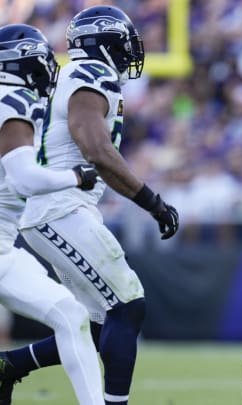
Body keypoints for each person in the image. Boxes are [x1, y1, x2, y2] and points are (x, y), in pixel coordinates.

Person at [0, 7, 179, 405]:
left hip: (61, 207)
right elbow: (95, 149)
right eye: (126, 41)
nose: (132, 50)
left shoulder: (69, 74)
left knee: (100, 322)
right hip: (58, 208)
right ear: (108, 42)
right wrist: (152, 202)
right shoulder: (90, 74)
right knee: (128, 305)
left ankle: (10, 365)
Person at [0, 24, 104, 405]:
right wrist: (75, 177)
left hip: (5, 250)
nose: (49, 71)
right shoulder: (12, 100)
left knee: (71, 314)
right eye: (42, 63)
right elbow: (24, 178)